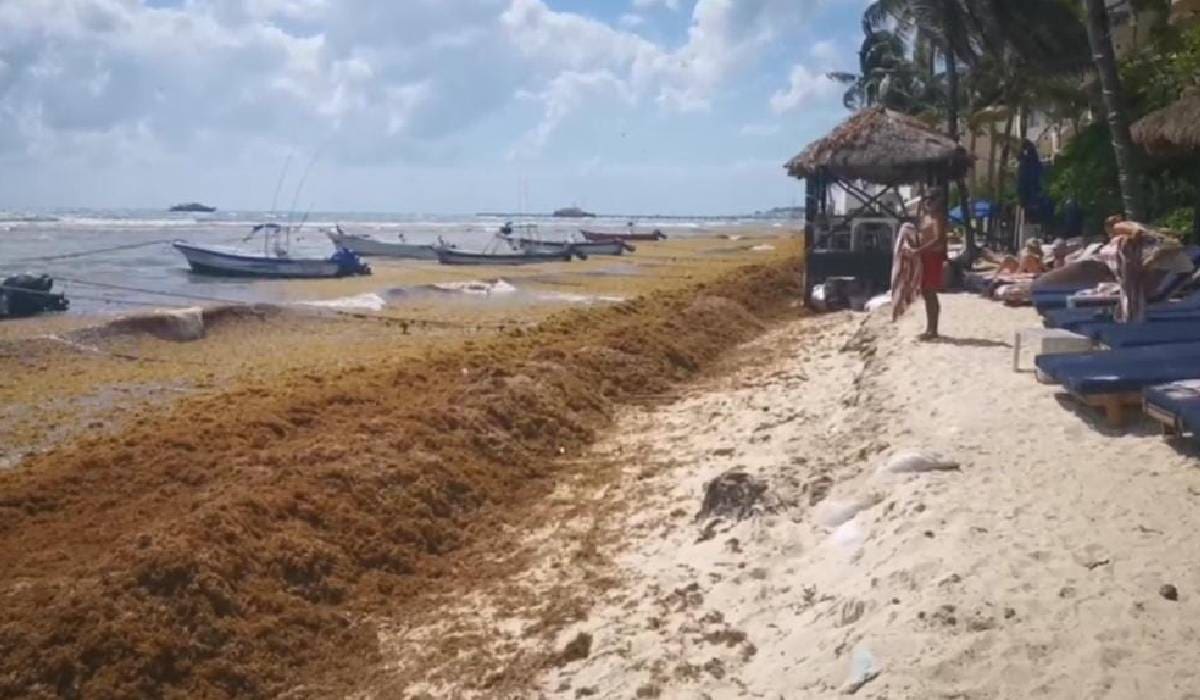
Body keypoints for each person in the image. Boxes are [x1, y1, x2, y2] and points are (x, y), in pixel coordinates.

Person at [915, 188, 948, 340]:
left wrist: (919, 250)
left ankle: (933, 330)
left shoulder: (938, 217)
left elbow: (939, 239)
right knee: (926, 293)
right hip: (925, 256)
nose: (928, 201)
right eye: (926, 198)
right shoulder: (926, 216)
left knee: (930, 292)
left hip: (933, 256)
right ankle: (929, 328)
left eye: (932, 198)